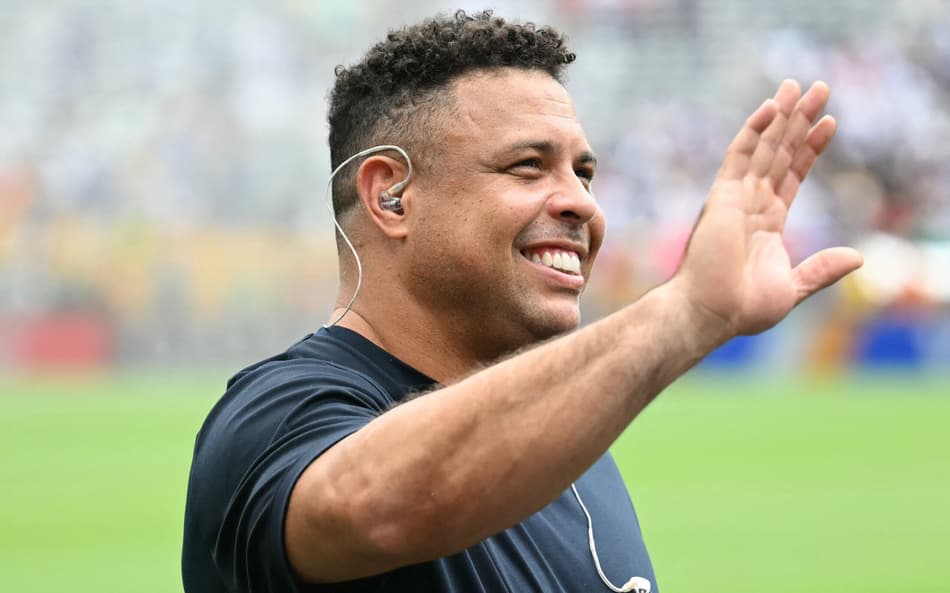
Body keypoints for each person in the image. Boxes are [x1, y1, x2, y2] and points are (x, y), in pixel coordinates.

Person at [182, 10, 862, 593]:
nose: (581, 203)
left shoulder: (568, 434)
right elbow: (378, 507)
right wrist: (687, 312)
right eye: (527, 166)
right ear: (390, 195)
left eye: (584, 172)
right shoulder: (274, 416)